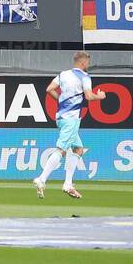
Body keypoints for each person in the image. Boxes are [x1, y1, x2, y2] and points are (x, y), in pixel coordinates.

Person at [34, 50, 107, 200]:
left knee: (78, 149)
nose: (88, 64)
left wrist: (61, 100)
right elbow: (88, 96)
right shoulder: (85, 77)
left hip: (61, 117)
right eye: (87, 62)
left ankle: (68, 184)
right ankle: (41, 179)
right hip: (71, 119)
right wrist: (100, 96)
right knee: (61, 150)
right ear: (83, 62)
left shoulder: (63, 74)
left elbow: (49, 89)